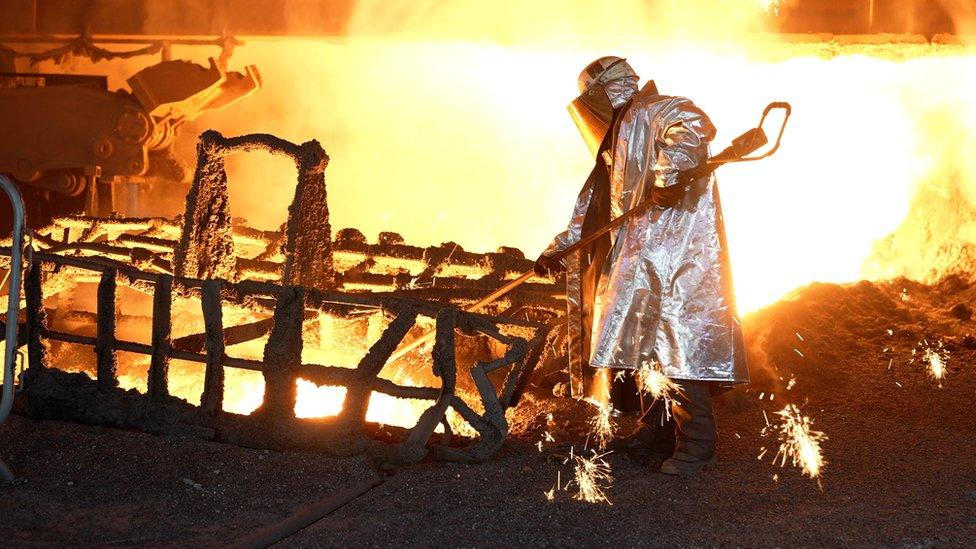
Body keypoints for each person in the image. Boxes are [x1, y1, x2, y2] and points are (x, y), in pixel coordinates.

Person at [536, 56, 748, 475]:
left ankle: (697, 446)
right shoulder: (615, 146)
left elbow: (694, 126)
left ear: (604, 92)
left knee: (676, 347)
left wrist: (668, 177)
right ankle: (657, 430)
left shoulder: (656, 110)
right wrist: (556, 250)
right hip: (637, 263)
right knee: (638, 350)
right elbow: (592, 216)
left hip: (675, 258)